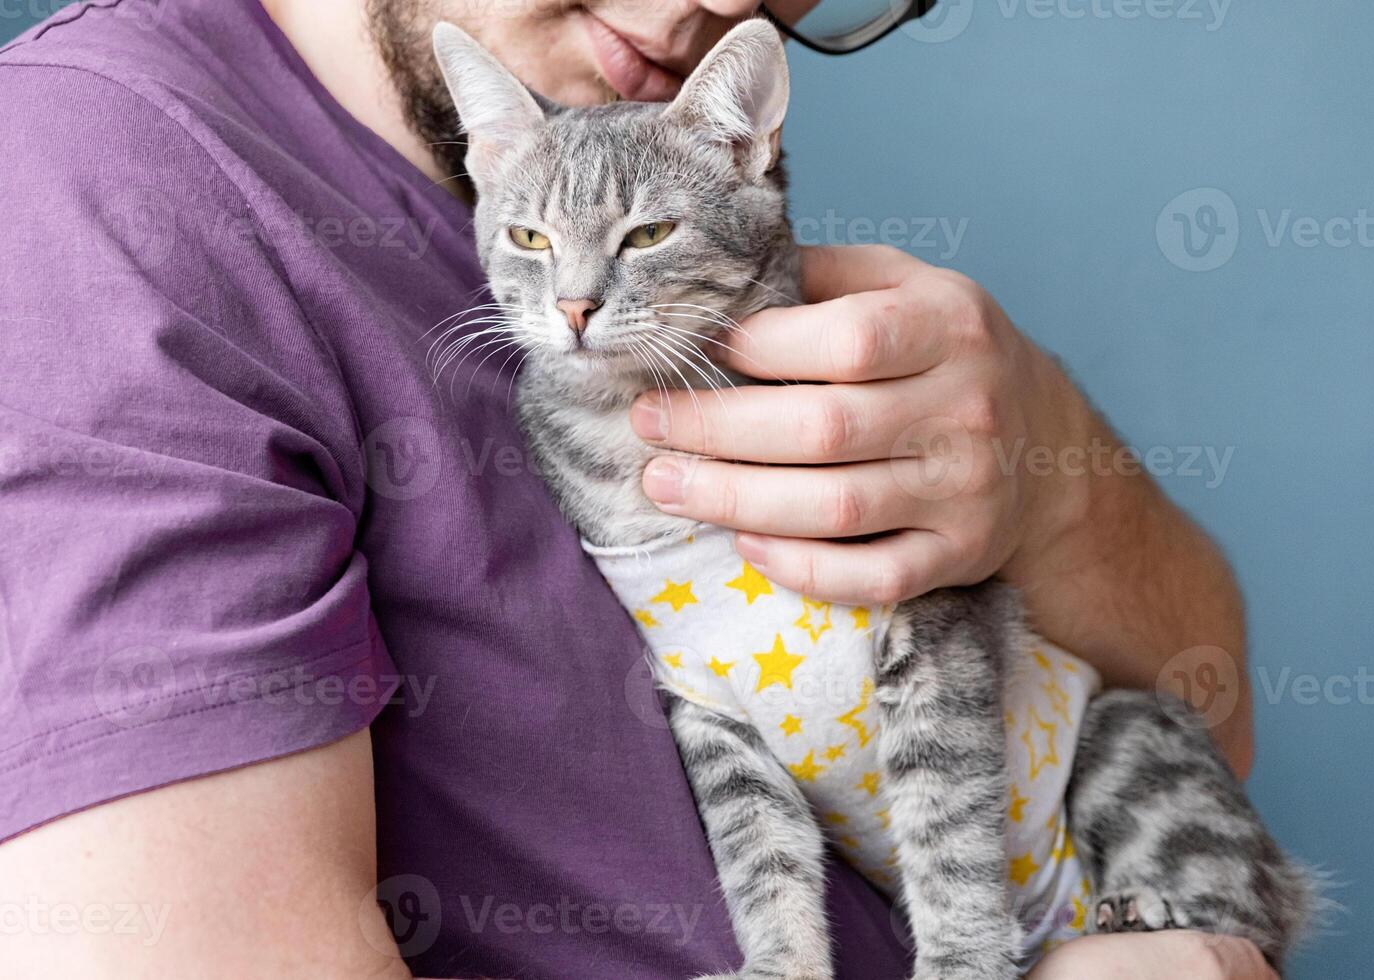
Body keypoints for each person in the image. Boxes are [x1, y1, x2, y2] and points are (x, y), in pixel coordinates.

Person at [0, 0, 1272, 977]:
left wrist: (1055, 482)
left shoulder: (704, 250)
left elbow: (1218, 721)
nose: (719, 8)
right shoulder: (97, 194)